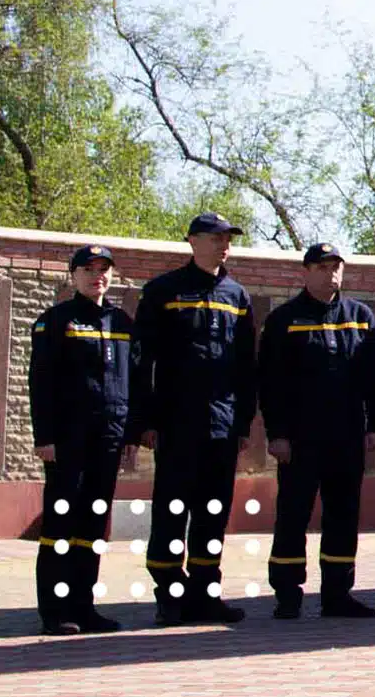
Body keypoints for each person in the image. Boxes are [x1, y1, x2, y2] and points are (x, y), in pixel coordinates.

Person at [132, 213, 256, 626]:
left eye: (228, 239)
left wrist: (242, 424)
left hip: (221, 426)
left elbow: (245, 366)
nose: (224, 245)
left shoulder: (237, 295)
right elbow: (141, 360)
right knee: (171, 511)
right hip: (176, 421)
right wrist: (145, 420)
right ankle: (170, 595)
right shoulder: (163, 291)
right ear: (192, 241)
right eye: (215, 238)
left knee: (212, 513)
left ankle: (206, 595)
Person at [258, 243, 375, 620]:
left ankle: (337, 593)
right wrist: (277, 433)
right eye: (322, 266)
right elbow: (270, 383)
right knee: (293, 514)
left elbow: (374, 379)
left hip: (347, 434)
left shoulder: (361, 317)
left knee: (343, 514)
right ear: (306, 271)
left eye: (336, 266)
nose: (331, 273)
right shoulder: (285, 319)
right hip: (300, 438)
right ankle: (287, 593)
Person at [29, 244, 135, 635]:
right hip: (67, 440)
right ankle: (54, 611)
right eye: (88, 269)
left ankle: (83, 606)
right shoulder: (56, 321)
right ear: (73, 275)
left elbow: (132, 381)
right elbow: (40, 384)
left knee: (92, 525)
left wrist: (130, 433)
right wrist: (46, 437)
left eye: (104, 269)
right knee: (60, 523)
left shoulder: (122, 322)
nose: (97, 276)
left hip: (107, 439)